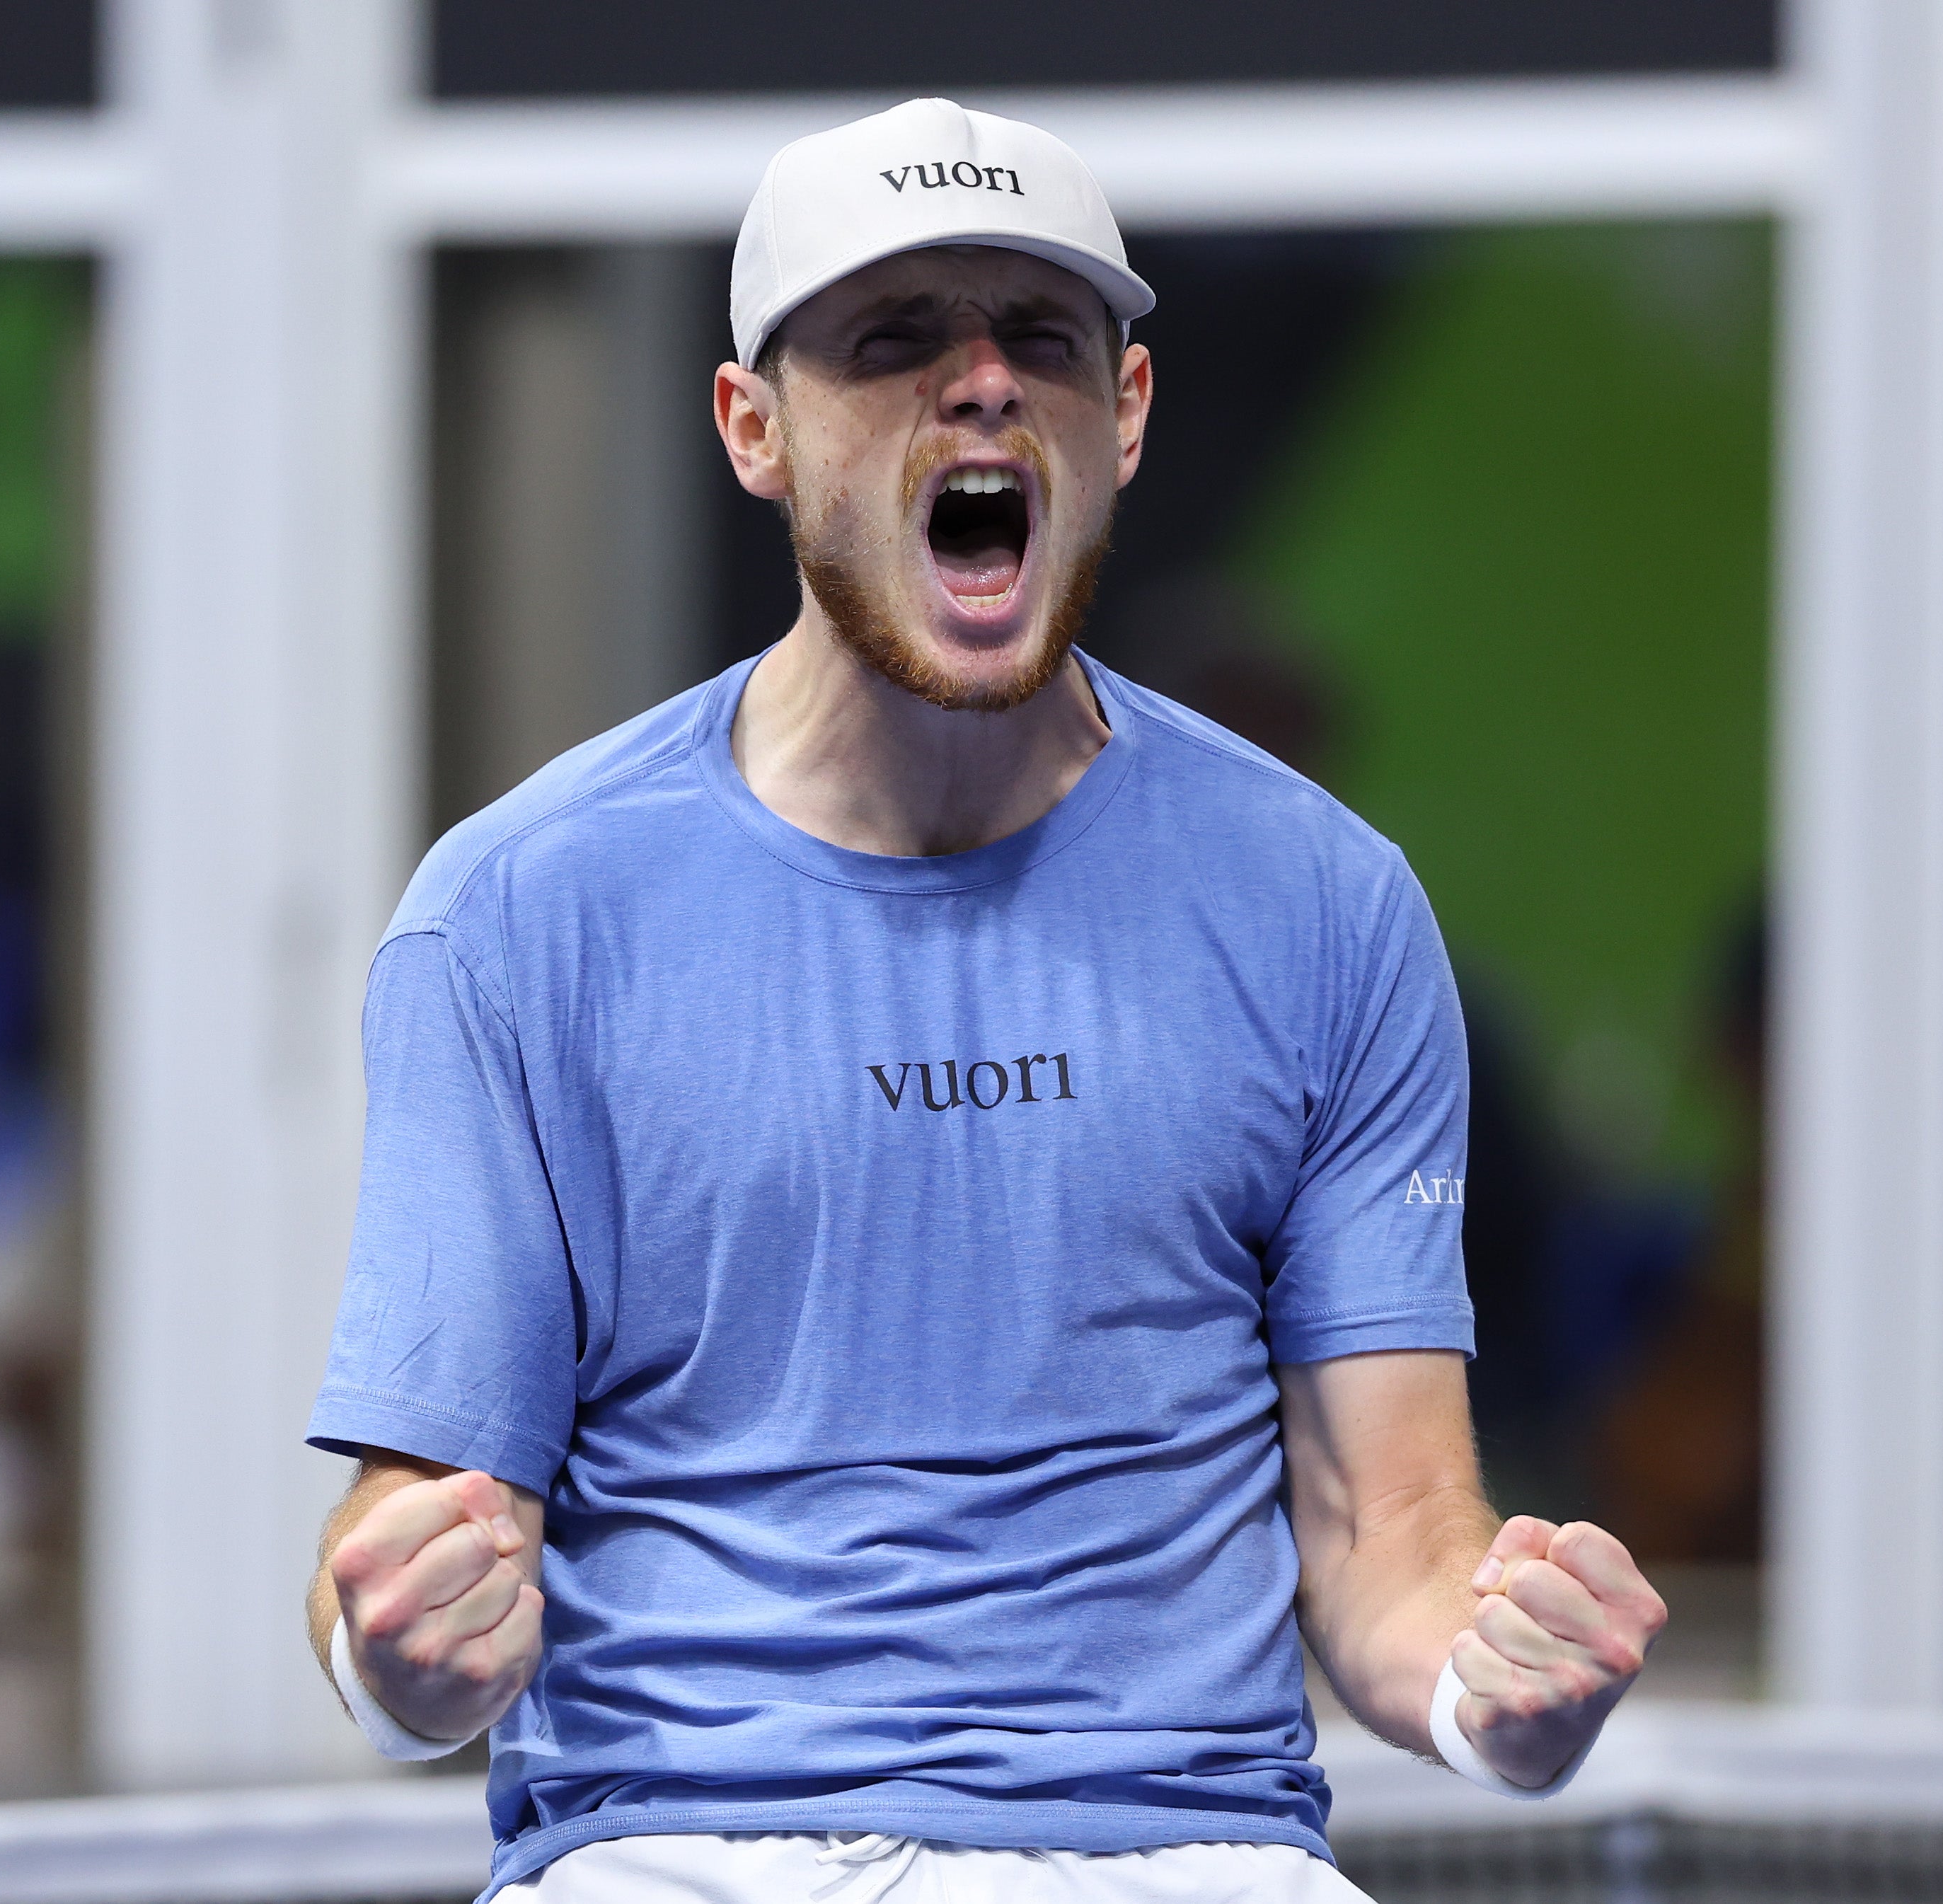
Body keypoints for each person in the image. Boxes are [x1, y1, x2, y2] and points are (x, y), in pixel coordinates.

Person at [301, 98, 1665, 1903]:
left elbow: (1390, 1534)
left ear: (1127, 412)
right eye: (891, 341)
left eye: (1039, 337)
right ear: (754, 430)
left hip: (1188, 1852)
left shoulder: (1328, 907)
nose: (981, 389)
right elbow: (399, 1545)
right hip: (683, 1850)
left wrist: (1507, 1692)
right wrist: (392, 1656)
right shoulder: (516, 914)